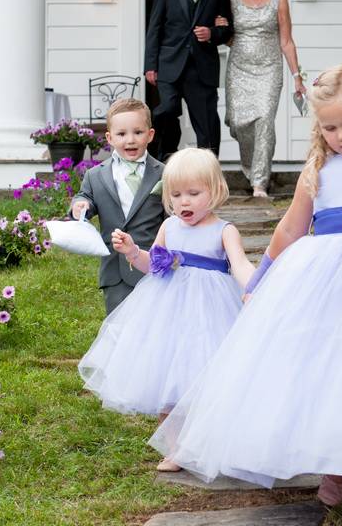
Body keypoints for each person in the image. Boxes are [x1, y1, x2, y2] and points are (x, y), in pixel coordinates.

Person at [149, 62, 342, 526]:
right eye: (329, 127)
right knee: (336, 375)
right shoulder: (319, 169)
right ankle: (337, 463)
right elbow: (290, 229)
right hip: (329, 288)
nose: (340, 135)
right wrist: (259, 280)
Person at [78, 147, 255, 471]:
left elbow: (240, 264)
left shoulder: (224, 230)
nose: (183, 202)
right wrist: (133, 252)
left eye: (193, 193)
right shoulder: (170, 228)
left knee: (209, 379)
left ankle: (208, 443)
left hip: (211, 314)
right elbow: (153, 264)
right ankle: (174, 449)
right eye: (175, 194)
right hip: (169, 313)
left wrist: (254, 286)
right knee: (166, 381)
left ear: (215, 191)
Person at [214, 0, 306, 198]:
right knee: (240, 125)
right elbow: (226, 35)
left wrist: (297, 76)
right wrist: (221, 29)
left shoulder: (279, 0)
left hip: (269, 69)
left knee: (264, 120)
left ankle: (259, 183)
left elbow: (286, 41)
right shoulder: (232, 0)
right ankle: (251, 168)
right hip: (239, 68)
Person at [144, 0, 234, 161]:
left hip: (202, 67)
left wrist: (212, 33)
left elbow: (227, 30)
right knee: (167, 110)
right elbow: (155, 27)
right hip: (169, 64)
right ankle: (161, 158)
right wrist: (150, 65)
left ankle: (210, 169)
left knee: (206, 123)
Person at [69, 99, 165, 313]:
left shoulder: (163, 173)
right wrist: (80, 206)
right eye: (122, 134)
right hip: (115, 269)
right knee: (118, 329)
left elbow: (171, 216)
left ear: (150, 135)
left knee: (153, 323)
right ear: (110, 138)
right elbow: (85, 197)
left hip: (152, 265)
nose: (130, 140)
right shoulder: (96, 175)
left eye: (138, 132)